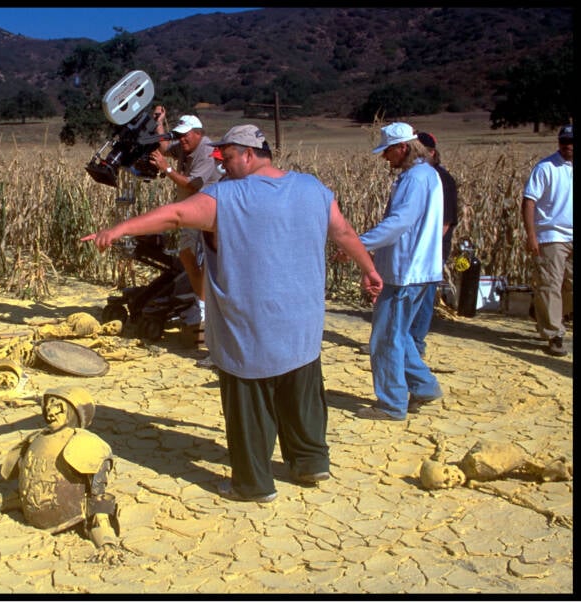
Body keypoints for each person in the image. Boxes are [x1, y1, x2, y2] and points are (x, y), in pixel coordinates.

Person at [83, 124, 383, 502]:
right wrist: (370, 270)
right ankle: (310, 463)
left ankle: (253, 484)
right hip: (303, 323)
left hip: (249, 326)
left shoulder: (226, 197)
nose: (220, 163)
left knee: (249, 401)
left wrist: (118, 229)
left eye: (226, 156)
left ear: (250, 153)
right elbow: (344, 233)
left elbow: (175, 216)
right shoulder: (312, 189)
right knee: (302, 389)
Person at [356, 122, 445, 421]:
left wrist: (358, 243)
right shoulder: (427, 175)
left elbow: (398, 223)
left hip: (406, 270)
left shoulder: (415, 179)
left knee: (385, 338)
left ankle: (392, 403)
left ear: (403, 148)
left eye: (388, 151)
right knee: (401, 334)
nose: (385, 158)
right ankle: (424, 386)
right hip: (419, 270)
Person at [0, 386, 122, 564]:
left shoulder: (86, 442)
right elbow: (29, 482)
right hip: (34, 512)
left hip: (69, 516)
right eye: (48, 406)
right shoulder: (35, 439)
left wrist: (105, 540)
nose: (51, 411)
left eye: (59, 407)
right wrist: (1, 502)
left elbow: (97, 497)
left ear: (73, 411)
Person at [149, 109, 224, 331]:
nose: (182, 140)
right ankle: (200, 302)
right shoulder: (183, 147)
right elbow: (164, 146)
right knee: (187, 255)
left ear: (198, 133)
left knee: (204, 259)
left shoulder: (207, 151)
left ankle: (204, 308)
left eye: (186, 135)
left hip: (206, 211)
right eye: (179, 136)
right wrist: (160, 123)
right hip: (190, 211)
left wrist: (167, 168)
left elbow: (193, 184)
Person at [521, 124, 573, 357]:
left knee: (568, 287)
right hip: (552, 235)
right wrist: (532, 235)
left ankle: (541, 309)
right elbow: (529, 201)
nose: (568, 147)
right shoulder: (545, 168)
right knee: (551, 284)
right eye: (565, 142)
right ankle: (554, 334)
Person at [409, 131, 460, 357]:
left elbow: (445, 222)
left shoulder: (442, 179)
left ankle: (416, 344)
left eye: (420, 151)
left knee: (424, 297)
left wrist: (423, 248)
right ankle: (405, 343)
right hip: (416, 248)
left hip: (430, 249)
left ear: (432, 152)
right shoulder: (417, 176)